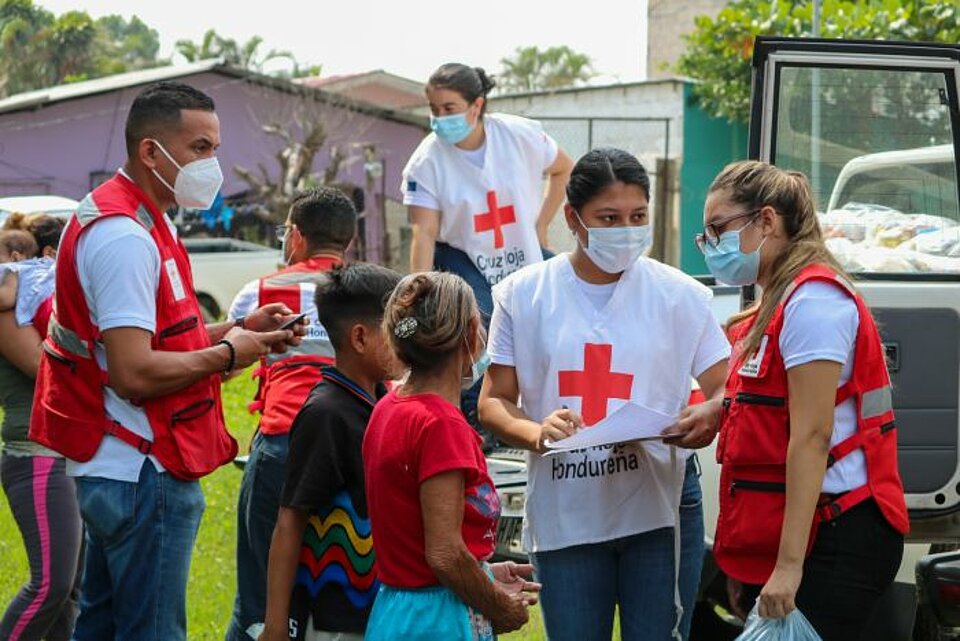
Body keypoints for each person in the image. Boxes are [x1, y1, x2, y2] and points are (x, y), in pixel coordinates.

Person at [28, 81, 301, 641]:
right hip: (140, 470)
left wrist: (240, 330)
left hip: (122, 468)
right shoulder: (124, 236)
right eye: (199, 148)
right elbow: (133, 371)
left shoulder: (146, 219)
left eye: (214, 148)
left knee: (102, 627)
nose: (213, 164)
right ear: (151, 151)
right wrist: (229, 352)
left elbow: (162, 340)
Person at [478, 148, 731, 641]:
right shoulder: (522, 295)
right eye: (608, 218)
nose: (626, 230)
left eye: (637, 217)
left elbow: (727, 385)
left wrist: (709, 412)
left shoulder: (679, 295)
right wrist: (536, 431)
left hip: (659, 503)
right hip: (567, 506)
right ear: (572, 218)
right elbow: (493, 400)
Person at [699, 161, 908, 640]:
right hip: (801, 529)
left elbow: (812, 437)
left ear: (767, 221)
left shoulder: (814, 303)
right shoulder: (776, 302)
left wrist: (787, 568)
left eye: (719, 229)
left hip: (839, 532)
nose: (712, 244)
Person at [363, 272, 541, 640]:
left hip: (397, 613)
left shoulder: (390, 406)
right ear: (472, 332)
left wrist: (484, 572)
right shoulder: (442, 426)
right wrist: (499, 606)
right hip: (438, 622)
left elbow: (417, 535)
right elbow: (444, 554)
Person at [402, 63, 573, 441]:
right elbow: (424, 231)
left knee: (542, 327)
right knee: (477, 338)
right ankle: (475, 430)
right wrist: (419, 286)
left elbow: (564, 168)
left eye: (449, 108)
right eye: (433, 109)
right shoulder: (426, 161)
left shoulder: (518, 134)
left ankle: (534, 416)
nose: (439, 118)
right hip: (461, 257)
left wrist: (542, 223)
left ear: (477, 105)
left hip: (521, 250)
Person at [225, 186, 358, 641]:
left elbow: (224, 367)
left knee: (260, 597)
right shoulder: (375, 289)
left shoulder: (261, 292)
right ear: (349, 243)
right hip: (355, 449)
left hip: (282, 443)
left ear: (296, 236)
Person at [259, 263, 402, 641]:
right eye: (396, 330)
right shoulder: (326, 414)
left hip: (378, 610)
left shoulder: (384, 400)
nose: (405, 340)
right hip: (334, 620)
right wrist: (275, 624)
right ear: (360, 338)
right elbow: (291, 519)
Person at [0, 218, 81, 641]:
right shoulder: (8, 313)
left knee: (69, 594)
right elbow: (44, 369)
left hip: (69, 454)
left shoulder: (34, 304)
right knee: (50, 585)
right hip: (35, 455)